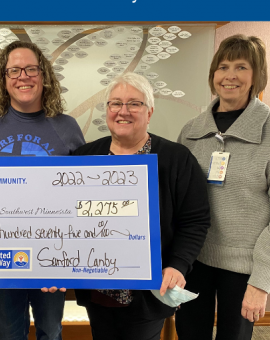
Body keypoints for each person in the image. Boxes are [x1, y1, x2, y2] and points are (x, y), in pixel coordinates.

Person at [175, 34, 270, 339]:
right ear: (213, 75)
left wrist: (262, 282)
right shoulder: (192, 131)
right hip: (194, 260)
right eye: (222, 67)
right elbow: (174, 202)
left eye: (241, 67)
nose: (230, 76)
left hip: (246, 267)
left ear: (257, 76)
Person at [72, 72, 211, 340]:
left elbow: (195, 221)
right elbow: (68, 218)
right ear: (107, 110)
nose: (123, 111)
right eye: (115, 103)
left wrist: (177, 265)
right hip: (98, 292)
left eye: (134, 103)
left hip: (148, 292)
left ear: (149, 112)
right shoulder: (84, 156)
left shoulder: (176, 159)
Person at [0, 41, 85, 340]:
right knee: (9, 332)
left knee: (51, 330)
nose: (23, 77)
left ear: (43, 76)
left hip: (52, 250)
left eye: (31, 69)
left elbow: (83, 190)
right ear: (3, 79)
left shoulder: (67, 127)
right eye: (14, 70)